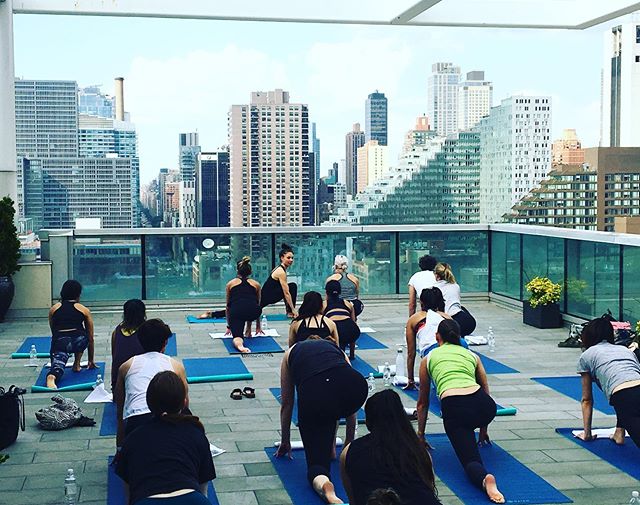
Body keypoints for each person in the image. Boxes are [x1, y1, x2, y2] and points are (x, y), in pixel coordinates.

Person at [417, 319, 504, 504]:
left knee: (470, 461)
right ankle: (478, 438)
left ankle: (484, 479)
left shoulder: (428, 358)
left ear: (437, 337)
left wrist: (421, 435)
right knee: (473, 414)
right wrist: (483, 430)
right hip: (485, 407)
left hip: (456, 408)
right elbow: (486, 391)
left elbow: (423, 403)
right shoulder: (471, 355)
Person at [276, 336, 368, 504]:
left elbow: (287, 403)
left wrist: (285, 441)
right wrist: (349, 444)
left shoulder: (290, 353)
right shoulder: (334, 348)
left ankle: (327, 489)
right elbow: (348, 403)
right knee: (335, 401)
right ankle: (332, 448)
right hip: (356, 387)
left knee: (317, 466)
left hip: (316, 394)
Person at [116, 370, 216, 505]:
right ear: (184, 402)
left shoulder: (133, 439)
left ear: (149, 403)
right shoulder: (196, 434)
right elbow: (203, 490)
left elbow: (128, 496)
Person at [340, 389, 441, 505]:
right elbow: (428, 489)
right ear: (402, 418)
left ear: (368, 422)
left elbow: (353, 499)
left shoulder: (349, 452)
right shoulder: (418, 450)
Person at [114, 319, 188, 449]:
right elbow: (185, 402)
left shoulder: (126, 366)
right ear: (165, 343)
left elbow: (120, 409)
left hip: (136, 421)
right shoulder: (176, 366)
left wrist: (120, 448)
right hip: (171, 419)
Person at [576, 316, 640, 447]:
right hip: (633, 387)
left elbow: (587, 400)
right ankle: (619, 433)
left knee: (618, 392)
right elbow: (630, 376)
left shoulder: (587, 355)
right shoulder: (625, 350)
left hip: (624, 395)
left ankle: (619, 433)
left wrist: (587, 434)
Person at [405, 287, 466, 389]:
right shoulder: (446, 316)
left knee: (441, 384)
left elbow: (411, 353)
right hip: (460, 344)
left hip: (433, 349)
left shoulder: (414, 319)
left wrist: (410, 379)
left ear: (422, 303)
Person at [46, 280, 96, 389]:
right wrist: (90, 360)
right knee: (82, 335)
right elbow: (90, 337)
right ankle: (77, 364)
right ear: (78, 294)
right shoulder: (84, 309)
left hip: (60, 343)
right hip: (78, 342)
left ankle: (52, 376)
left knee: (58, 366)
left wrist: (54, 352)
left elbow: (54, 332)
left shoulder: (54, 309)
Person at [224, 256, 262, 353]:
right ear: (250, 272)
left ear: (237, 271)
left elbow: (228, 306)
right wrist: (258, 326)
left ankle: (241, 346)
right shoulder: (256, 284)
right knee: (250, 305)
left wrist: (229, 326)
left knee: (237, 336)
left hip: (237, 312)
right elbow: (257, 304)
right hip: (253, 312)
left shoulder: (230, 284)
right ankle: (248, 330)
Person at [433, 263, 477, 338]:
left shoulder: (434, 289)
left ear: (437, 275)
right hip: (469, 322)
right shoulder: (456, 286)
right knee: (460, 307)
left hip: (451, 323)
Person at [111, 299, 146, 390]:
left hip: (118, 386)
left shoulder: (117, 331)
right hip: (141, 386)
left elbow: (114, 358)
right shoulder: (147, 331)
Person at [323, 280, 360, 360]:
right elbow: (354, 323)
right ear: (340, 292)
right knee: (347, 330)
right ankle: (348, 355)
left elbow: (320, 323)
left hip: (336, 330)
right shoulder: (347, 303)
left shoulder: (324, 304)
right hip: (352, 331)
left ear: (326, 292)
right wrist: (352, 354)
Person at [261, 243, 298, 317]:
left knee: (291, 286)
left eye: (292, 258)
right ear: (282, 258)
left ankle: (289, 312)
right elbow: (286, 293)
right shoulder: (280, 271)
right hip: (268, 296)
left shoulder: (280, 268)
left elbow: (285, 291)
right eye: (288, 258)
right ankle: (290, 312)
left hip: (268, 295)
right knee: (292, 287)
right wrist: (293, 310)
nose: (291, 260)